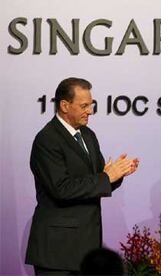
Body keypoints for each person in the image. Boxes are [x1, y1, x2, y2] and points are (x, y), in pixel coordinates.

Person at [25, 77, 139, 275]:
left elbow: (97, 180)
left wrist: (117, 174)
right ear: (64, 105)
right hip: (58, 252)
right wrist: (106, 178)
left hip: (86, 250)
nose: (90, 111)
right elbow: (61, 188)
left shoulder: (87, 135)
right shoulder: (47, 139)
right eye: (84, 105)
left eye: (91, 105)